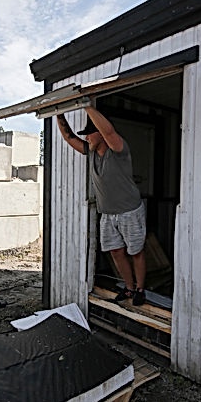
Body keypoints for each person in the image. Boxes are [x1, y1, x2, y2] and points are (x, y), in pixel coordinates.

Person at [56, 106, 147, 306]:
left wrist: (86, 105)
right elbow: (69, 138)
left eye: (90, 133)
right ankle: (129, 288)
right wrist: (58, 113)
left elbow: (109, 132)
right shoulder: (91, 153)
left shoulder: (118, 150)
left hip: (130, 211)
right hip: (107, 214)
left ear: (100, 134)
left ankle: (140, 289)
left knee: (136, 251)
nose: (86, 138)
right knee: (116, 251)